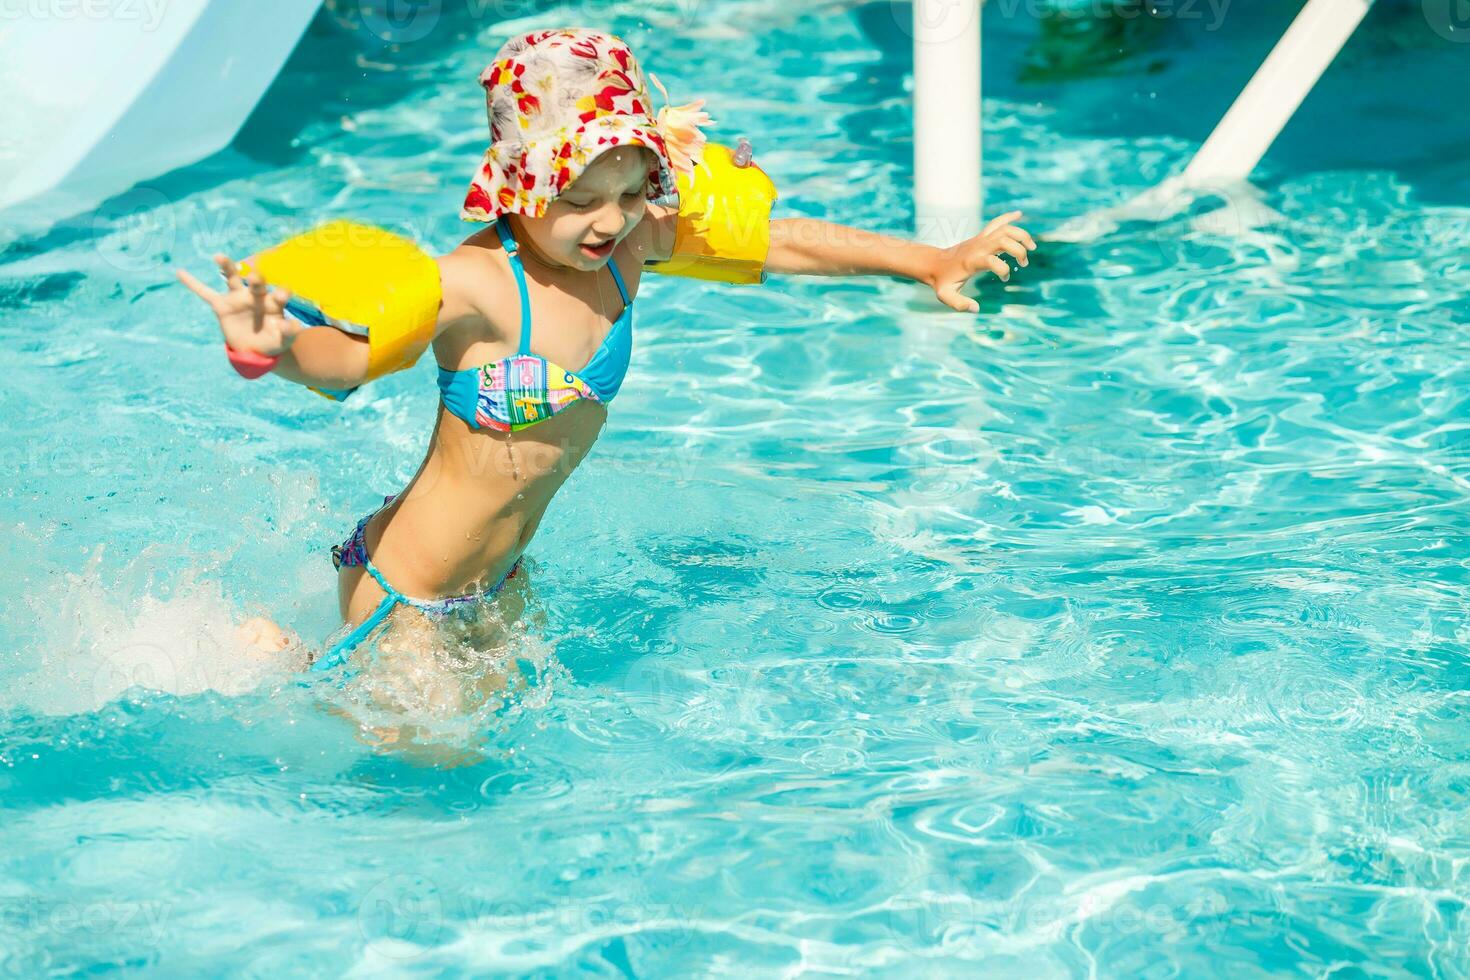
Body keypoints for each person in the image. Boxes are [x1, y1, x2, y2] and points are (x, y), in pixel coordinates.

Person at [177, 28, 1035, 672]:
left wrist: (927, 261)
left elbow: (780, 243)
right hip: (406, 589)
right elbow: (355, 360)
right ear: (520, 186)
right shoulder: (476, 284)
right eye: (581, 198)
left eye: (630, 191)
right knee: (428, 768)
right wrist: (272, 349)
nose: (611, 219)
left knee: (493, 740)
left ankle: (307, 669)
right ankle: (278, 659)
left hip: (499, 582)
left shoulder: (627, 249)